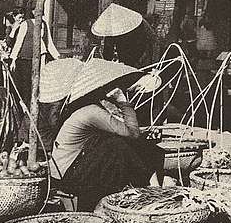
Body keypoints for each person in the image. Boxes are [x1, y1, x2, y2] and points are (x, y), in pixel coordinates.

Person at [50, 58, 165, 211]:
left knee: (124, 144)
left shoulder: (87, 108)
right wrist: (122, 101)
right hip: (69, 175)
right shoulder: (92, 112)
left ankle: (150, 186)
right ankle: (149, 187)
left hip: (68, 169)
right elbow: (133, 133)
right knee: (119, 145)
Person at [9, 0, 60, 107]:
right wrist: (13, 59)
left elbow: (49, 43)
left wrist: (58, 57)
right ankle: (25, 107)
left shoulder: (44, 24)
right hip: (26, 59)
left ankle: (36, 105)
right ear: (31, 11)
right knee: (26, 85)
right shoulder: (26, 24)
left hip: (41, 57)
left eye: (40, 9)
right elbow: (19, 42)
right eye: (35, 9)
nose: (37, 12)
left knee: (38, 83)